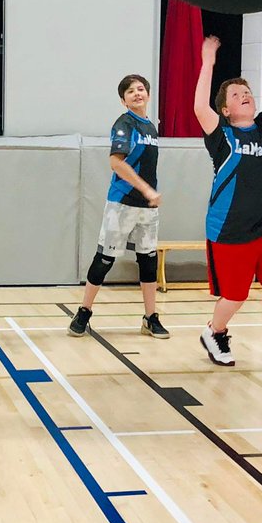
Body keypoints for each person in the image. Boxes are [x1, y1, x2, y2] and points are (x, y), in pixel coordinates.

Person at [193, 36, 262, 373]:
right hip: (228, 230)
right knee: (235, 297)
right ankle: (214, 333)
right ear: (226, 110)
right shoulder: (222, 136)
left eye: (247, 92)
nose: (245, 95)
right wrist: (208, 62)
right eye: (236, 95)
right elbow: (200, 107)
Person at [68, 74, 168, 340]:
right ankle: (84, 311)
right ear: (123, 100)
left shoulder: (151, 127)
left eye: (141, 89)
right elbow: (117, 162)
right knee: (104, 259)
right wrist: (145, 188)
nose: (138, 93)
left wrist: (150, 193)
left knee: (148, 261)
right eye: (131, 91)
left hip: (147, 208)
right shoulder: (124, 124)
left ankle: (150, 317)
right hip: (122, 203)